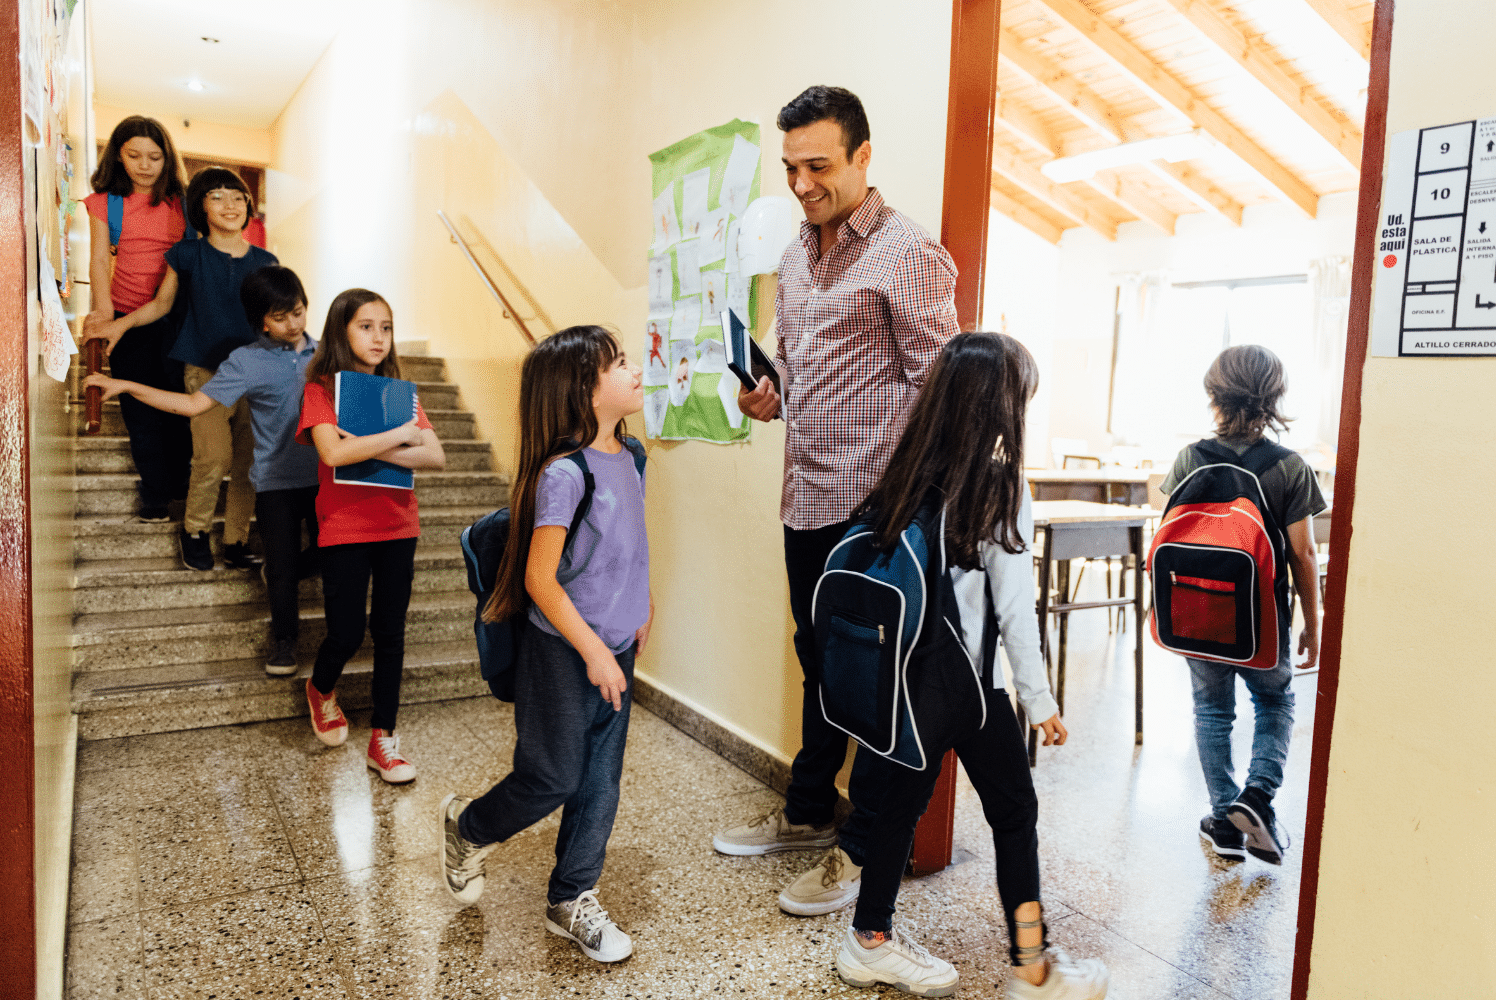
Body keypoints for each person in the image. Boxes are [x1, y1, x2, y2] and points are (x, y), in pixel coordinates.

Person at [713, 85, 959, 918]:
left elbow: (943, 391)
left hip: (877, 513)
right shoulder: (792, 258)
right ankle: (809, 814)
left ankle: (860, 855)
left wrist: (914, 512)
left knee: (876, 680)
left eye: (818, 165)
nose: (802, 182)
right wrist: (768, 394)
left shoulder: (908, 254)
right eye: (790, 167)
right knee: (820, 660)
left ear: (861, 156)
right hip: (806, 496)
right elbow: (801, 378)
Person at [831, 332, 1109, 1000]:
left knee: (898, 811)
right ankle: (1033, 968)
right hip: (968, 690)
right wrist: (1039, 702)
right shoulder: (999, 483)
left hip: (901, 681)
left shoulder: (907, 466)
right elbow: (1016, 611)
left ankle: (868, 940)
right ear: (1001, 404)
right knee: (1014, 813)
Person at [438, 326, 652, 965]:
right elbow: (538, 578)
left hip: (616, 645)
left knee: (601, 781)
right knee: (554, 775)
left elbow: (632, 543)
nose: (637, 370)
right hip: (564, 649)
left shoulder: (633, 456)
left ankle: (571, 897)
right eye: (619, 364)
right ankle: (468, 825)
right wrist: (590, 649)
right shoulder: (564, 474)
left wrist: (644, 608)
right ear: (582, 391)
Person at [82, 267, 320, 676]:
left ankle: (289, 573)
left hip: (325, 479)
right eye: (279, 318)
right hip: (275, 482)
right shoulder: (246, 361)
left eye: (297, 312)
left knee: (326, 556)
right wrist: (126, 386)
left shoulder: (326, 354)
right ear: (261, 320)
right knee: (281, 568)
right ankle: (284, 642)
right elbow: (193, 405)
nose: (292, 324)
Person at [1160, 344, 1324, 866]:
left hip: (1196, 615)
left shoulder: (1189, 458)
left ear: (1214, 393)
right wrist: (1313, 622)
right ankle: (1256, 797)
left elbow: (1173, 532)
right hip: (1262, 621)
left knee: (1211, 711)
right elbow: (1304, 553)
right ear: (1275, 397)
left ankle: (1223, 819)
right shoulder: (1289, 467)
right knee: (1275, 702)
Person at [295, 289, 445, 783]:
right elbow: (332, 456)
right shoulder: (320, 389)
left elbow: (435, 457)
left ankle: (384, 739)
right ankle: (320, 690)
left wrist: (368, 446)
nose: (378, 337)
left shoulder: (401, 392)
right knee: (346, 631)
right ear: (341, 330)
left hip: (399, 524)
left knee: (390, 632)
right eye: (365, 326)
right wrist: (400, 436)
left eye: (385, 327)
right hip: (344, 527)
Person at [107, 165, 279, 571]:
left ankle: (236, 539)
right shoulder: (186, 254)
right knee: (213, 458)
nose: (230, 204)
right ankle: (196, 530)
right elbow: (162, 305)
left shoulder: (267, 261)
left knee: (250, 465)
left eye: (238, 197)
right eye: (217, 196)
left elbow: (279, 316)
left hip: (257, 377)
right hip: (205, 373)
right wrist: (121, 323)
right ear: (200, 207)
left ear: (249, 206)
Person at [81, 115, 192, 522]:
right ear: (119, 156)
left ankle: (182, 481)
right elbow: (97, 260)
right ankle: (155, 493)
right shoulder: (103, 203)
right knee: (139, 409)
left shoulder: (182, 203)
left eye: (155, 157)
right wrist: (104, 311)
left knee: (177, 403)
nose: (145, 165)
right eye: (134, 155)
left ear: (167, 160)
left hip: (175, 317)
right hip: (126, 316)